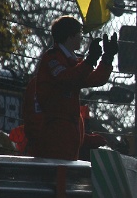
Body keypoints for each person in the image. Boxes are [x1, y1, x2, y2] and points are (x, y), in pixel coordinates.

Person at [22, 15, 117, 160]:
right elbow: (67, 79)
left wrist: (107, 58)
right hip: (54, 139)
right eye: (80, 34)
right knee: (57, 179)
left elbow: (94, 79)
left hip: (68, 139)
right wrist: (90, 60)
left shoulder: (72, 62)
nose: (82, 38)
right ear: (71, 36)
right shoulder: (52, 58)